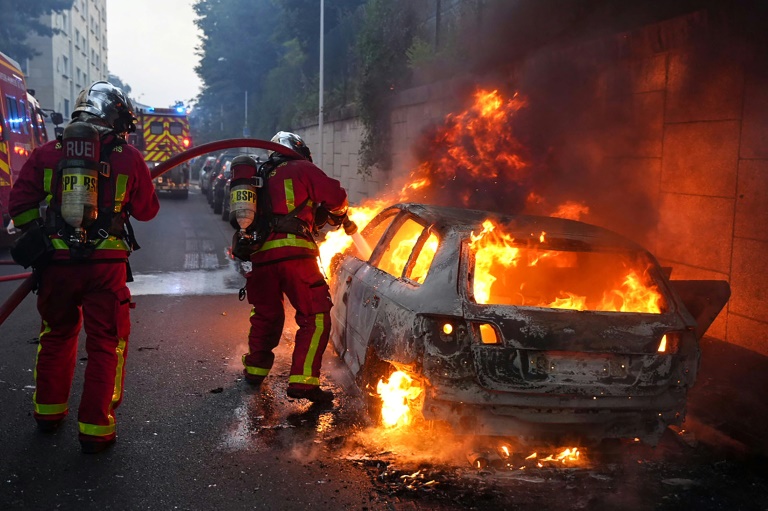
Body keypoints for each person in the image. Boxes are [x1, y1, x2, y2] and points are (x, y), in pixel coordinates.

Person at [8, 81, 160, 453]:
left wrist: (41, 234)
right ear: (117, 118)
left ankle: (48, 413)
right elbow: (147, 211)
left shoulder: (47, 152)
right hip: (105, 267)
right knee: (106, 343)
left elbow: (19, 204)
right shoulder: (128, 157)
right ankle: (96, 427)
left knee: (56, 335)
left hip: (57, 265)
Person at [239, 131, 348, 403]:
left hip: (261, 258)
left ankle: (254, 369)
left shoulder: (259, 176)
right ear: (299, 150)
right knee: (316, 316)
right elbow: (336, 196)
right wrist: (340, 213)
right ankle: (304, 383)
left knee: (266, 315)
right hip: (295, 255)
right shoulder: (302, 168)